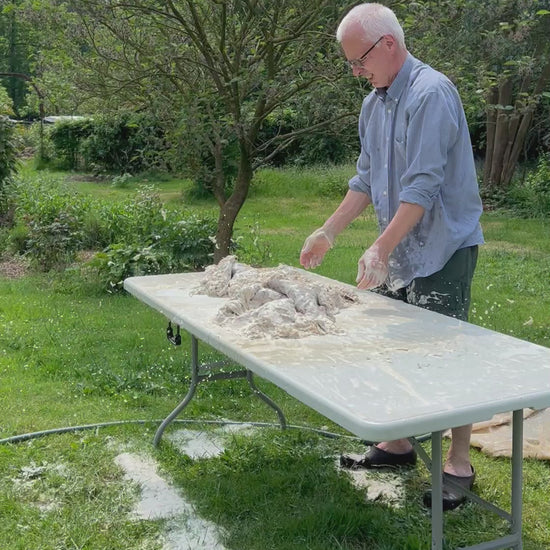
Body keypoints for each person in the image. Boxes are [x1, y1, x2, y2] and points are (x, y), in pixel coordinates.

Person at [299, 3, 484, 511]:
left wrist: (380, 246)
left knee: (449, 354)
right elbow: (365, 179)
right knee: (391, 345)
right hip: (399, 250)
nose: (356, 72)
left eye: (358, 61)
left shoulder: (431, 94)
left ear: (387, 45)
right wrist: (328, 232)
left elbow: (422, 188)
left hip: (443, 248)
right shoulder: (373, 105)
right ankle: (400, 443)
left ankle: (458, 463)